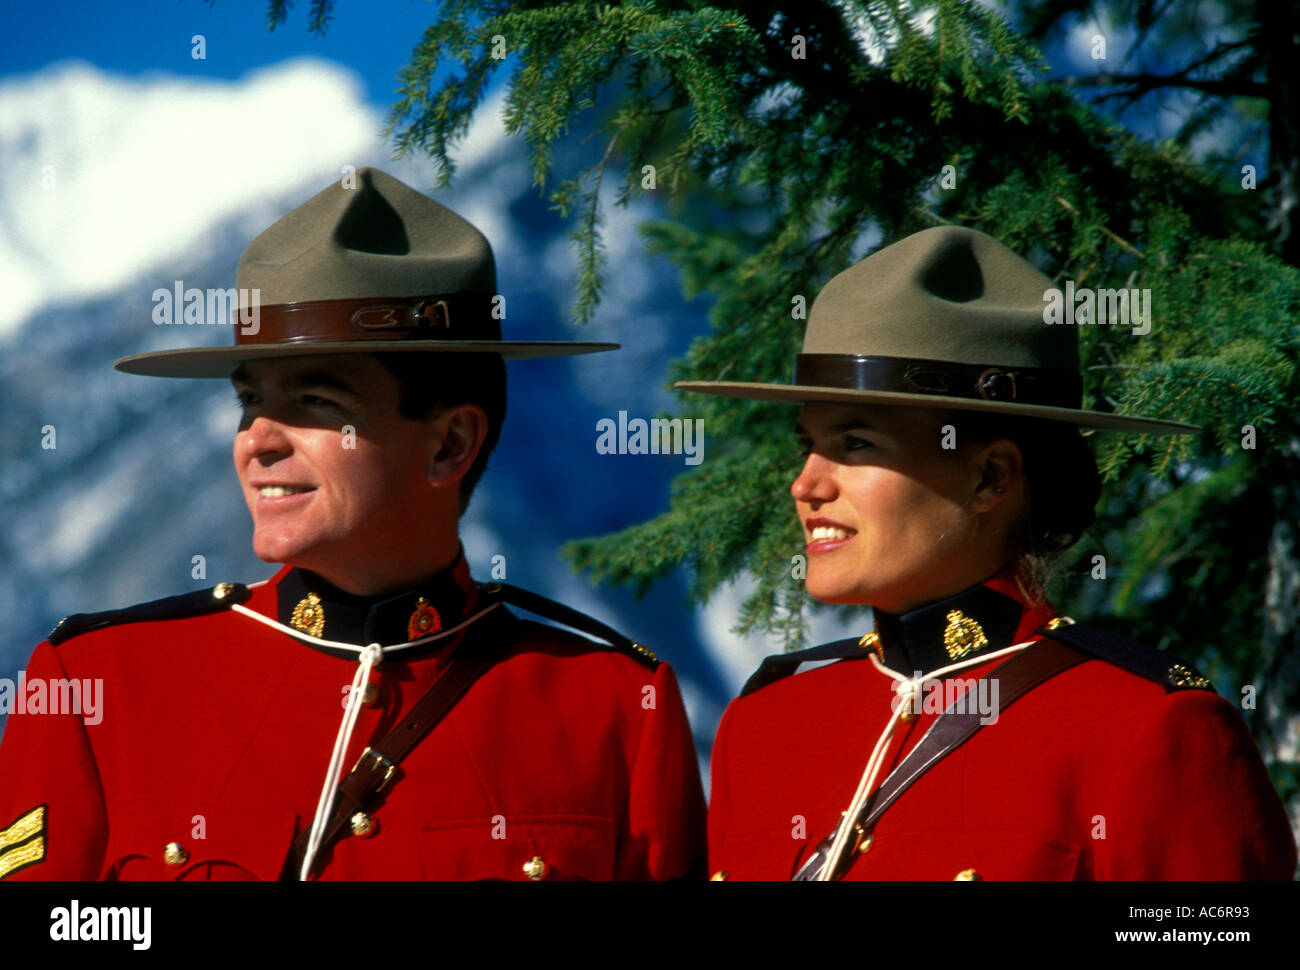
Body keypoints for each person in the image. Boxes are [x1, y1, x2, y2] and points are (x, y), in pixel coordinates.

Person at [0, 167, 705, 881]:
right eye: (250, 400)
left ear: (450, 443)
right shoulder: (98, 685)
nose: (257, 440)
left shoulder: (617, 707)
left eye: (312, 399)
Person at [677, 225, 1297, 880]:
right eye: (808, 443)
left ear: (991, 477)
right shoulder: (767, 723)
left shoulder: (1145, 729)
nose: (805, 484)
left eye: (855, 444)